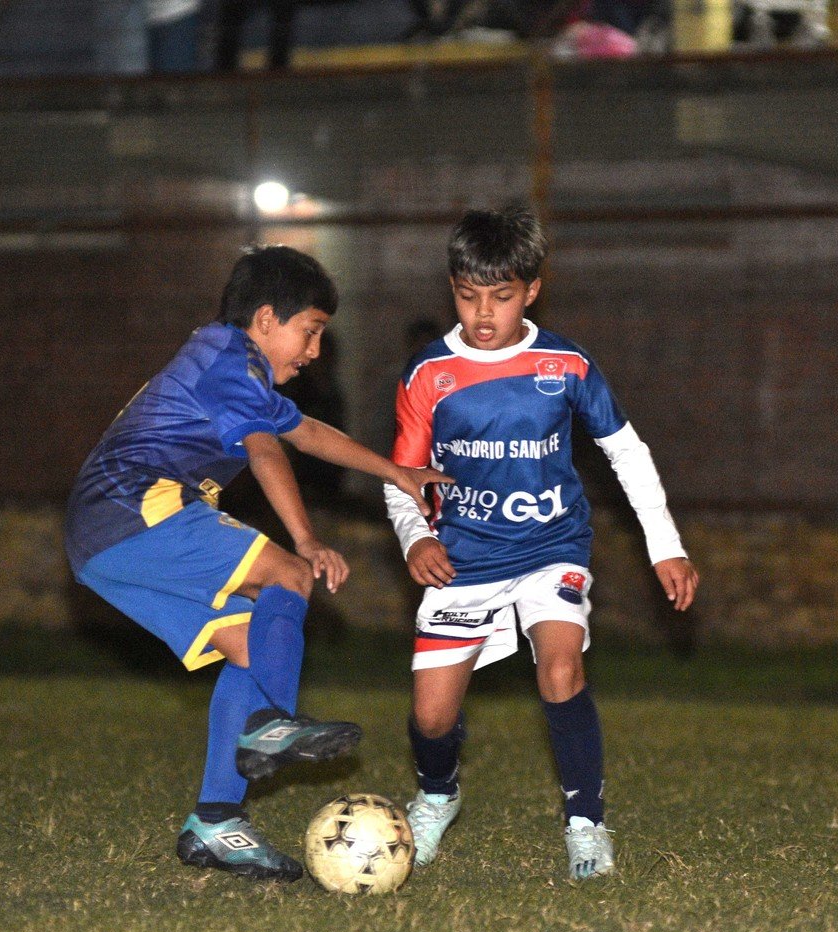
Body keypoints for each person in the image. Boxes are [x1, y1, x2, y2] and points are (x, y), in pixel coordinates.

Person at [65, 245, 449, 882]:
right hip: (133, 510)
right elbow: (268, 450)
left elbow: (309, 433)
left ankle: (215, 823)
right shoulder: (229, 356)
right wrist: (304, 541)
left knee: (249, 643)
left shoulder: (234, 371)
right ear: (266, 319)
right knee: (289, 578)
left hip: (99, 542)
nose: (315, 351)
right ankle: (270, 722)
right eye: (311, 331)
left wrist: (396, 472)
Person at [383, 206, 698, 881]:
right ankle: (437, 796)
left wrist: (663, 545)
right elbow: (400, 478)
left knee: (559, 671)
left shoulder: (565, 363)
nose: (483, 314)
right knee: (432, 718)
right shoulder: (427, 375)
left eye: (500, 296)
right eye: (468, 297)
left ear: (531, 289)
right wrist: (414, 537)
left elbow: (626, 453)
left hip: (551, 546)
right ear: (452, 288)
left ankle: (585, 824)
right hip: (463, 556)